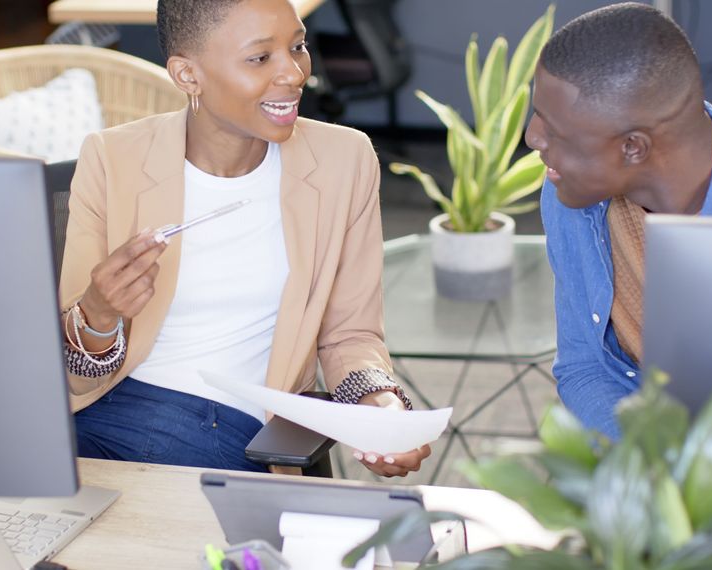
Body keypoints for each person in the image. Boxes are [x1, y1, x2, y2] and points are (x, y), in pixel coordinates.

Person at [56, 0, 431, 477]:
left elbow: (351, 334)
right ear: (188, 75)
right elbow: (70, 368)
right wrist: (100, 312)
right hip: (102, 411)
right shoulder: (113, 157)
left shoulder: (345, 160)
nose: (294, 73)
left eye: (298, 47)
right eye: (260, 58)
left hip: (230, 427)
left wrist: (379, 405)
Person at [525, 2, 712, 439]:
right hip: (643, 466)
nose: (533, 137)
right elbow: (583, 368)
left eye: (554, 129)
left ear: (633, 147)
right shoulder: (568, 192)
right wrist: (658, 466)